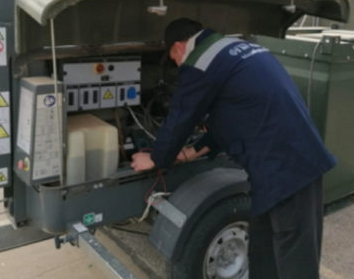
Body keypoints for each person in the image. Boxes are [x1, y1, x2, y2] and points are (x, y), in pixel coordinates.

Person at [131, 17, 336, 278]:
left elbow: (181, 116)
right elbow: (233, 115)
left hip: (290, 168)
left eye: (173, 59)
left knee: (295, 259)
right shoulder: (234, 49)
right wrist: (192, 151)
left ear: (179, 47)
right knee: (262, 250)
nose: (177, 66)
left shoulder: (200, 61)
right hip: (278, 164)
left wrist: (156, 158)